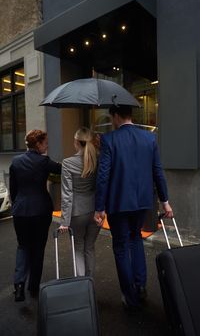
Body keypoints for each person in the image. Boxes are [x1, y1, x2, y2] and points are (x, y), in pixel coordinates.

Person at [94, 105, 173, 310]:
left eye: (112, 117)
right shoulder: (149, 139)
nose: (112, 121)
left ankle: (129, 297)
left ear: (117, 116)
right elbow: (158, 172)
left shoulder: (109, 140)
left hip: (118, 203)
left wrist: (99, 208)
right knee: (136, 238)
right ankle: (140, 286)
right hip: (142, 203)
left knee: (120, 246)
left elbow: (103, 176)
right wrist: (165, 201)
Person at [9, 129, 61, 302]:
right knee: (38, 248)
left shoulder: (15, 162)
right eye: (45, 142)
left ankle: (19, 286)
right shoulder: (44, 161)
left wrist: (18, 205)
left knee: (23, 246)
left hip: (20, 211)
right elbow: (62, 169)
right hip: (40, 211)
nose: (47, 145)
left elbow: (14, 190)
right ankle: (33, 287)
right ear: (38, 144)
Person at [58, 127, 100, 277]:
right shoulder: (99, 159)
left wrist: (64, 221)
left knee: (78, 248)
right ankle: (90, 286)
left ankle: (82, 288)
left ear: (76, 142)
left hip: (77, 212)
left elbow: (67, 194)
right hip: (95, 210)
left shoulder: (68, 163)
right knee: (90, 248)